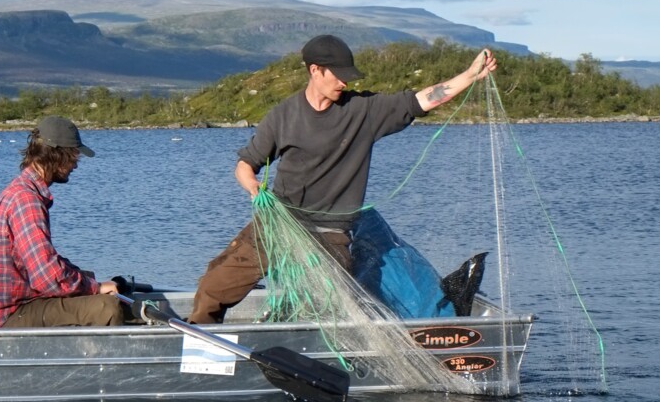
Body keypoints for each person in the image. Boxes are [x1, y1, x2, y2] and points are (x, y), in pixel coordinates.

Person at [188, 34, 498, 324]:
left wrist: (469, 76)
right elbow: (245, 164)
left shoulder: (363, 111)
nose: (344, 81)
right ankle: (200, 357)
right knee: (214, 286)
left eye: (347, 74)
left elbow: (423, 99)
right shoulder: (283, 116)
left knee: (323, 308)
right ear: (315, 71)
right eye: (337, 74)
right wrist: (253, 186)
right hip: (278, 223)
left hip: (330, 234)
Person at [0, 115, 123, 328]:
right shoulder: (26, 200)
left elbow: (44, 264)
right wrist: (95, 287)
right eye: (74, 156)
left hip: (24, 304)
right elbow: (46, 276)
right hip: (11, 314)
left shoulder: (23, 191)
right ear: (56, 154)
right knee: (107, 308)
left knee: (92, 287)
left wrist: (84, 278)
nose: (76, 165)